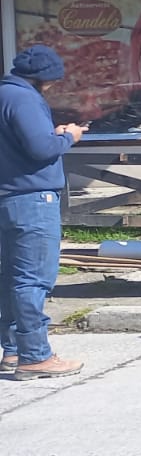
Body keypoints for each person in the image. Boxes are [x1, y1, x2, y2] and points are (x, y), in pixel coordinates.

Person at [0, 45, 85, 379]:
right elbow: (41, 148)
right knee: (33, 279)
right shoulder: (24, 99)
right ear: (44, 78)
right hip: (32, 199)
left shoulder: (5, 94)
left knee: (10, 278)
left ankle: (13, 350)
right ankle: (36, 355)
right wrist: (68, 137)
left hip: (7, 197)